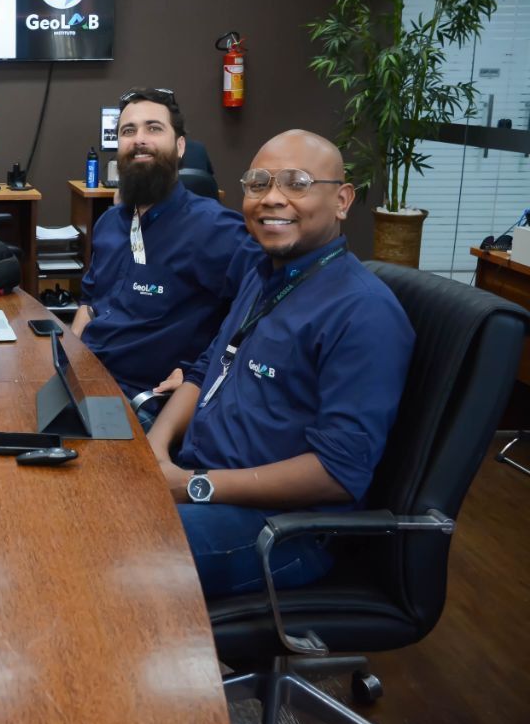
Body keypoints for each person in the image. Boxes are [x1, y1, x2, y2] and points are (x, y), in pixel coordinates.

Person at [145, 130, 415, 598]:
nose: (271, 198)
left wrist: (192, 485)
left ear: (342, 201)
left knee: (116, 546)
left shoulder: (364, 312)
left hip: (284, 530)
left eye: (296, 183)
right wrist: (155, 448)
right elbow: (208, 368)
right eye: (258, 183)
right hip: (201, 474)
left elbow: (337, 473)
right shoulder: (265, 275)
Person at [70, 88, 260, 422]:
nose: (139, 139)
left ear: (180, 146)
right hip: (86, 380)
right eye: (128, 131)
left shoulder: (216, 230)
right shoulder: (110, 223)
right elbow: (89, 303)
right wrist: (68, 360)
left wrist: (198, 374)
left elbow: (265, 310)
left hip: (143, 400)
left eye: (154, 128)